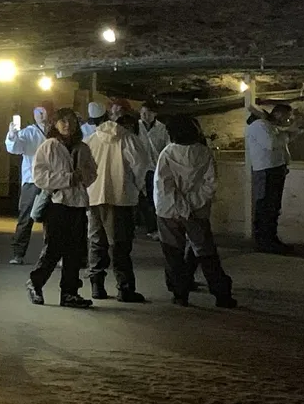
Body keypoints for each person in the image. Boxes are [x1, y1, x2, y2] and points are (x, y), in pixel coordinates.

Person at [154, 115, 237, 307]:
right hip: (197, 212)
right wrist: (192, 204)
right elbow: (210, 183)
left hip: (169, 212)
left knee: (173, 253)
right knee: (206, 252)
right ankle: (221, 294)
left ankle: (180, 294)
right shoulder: (204, 152)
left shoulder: (167, 153)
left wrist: (181, 206)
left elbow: (164, 186)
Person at [25, 108, 98, 308]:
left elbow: (92, 172)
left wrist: (83, 177)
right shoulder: (49, 146)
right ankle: (35, 282)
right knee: (54, 248)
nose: (67, 125)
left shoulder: (82, 148)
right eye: (63, 121)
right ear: (55, 124)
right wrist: (67, 179)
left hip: (78, 203)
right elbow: (39, 177)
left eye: (71, 121)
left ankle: (70, 292)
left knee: (75, 250)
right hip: (57, 203)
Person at [85, 107, 147, 302]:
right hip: (121, 197)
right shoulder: (129, 139)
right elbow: (140, 166)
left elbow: (83, 166)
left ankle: (96, 285)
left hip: (95, 196)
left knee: (96, 242)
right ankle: (125, 288)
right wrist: (136, 187)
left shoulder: (91, 139)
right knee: (120, 244)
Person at [243, 87, 298, 252]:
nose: (287, 120)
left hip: (273, 170)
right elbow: (271, 144)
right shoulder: (260, 125)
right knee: (267, 207)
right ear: (279, 114)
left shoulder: (269, 126)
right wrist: (287, 134)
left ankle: (270, 239)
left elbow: (279, 145)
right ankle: (265, 241)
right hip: (267, 171)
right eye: (286, 117)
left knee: (273, 207)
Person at [4, 105, 51, 267]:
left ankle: (51, 254)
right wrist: (12, 136)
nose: (42, 115)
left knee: (52, 219)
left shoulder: (55, 132)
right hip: (32, 181)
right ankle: (18, 253)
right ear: (34, 114)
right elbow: (15, 148)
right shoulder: (28, 132)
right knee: (26, 218)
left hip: (51, 180)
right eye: (39, 112)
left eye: (44, 111)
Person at [134, 104, 170, 235]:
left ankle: (153, 228)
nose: (145, 116)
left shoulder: (162, 128)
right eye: (143, 113)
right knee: (138, 198)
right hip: (139, 167)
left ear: (155, 114)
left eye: (148, 113)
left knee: (152, 198)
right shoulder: (136, 127)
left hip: (154, 167)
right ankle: (140, 225)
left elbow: (167, 147)